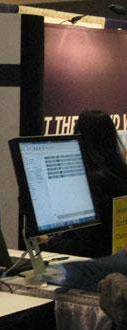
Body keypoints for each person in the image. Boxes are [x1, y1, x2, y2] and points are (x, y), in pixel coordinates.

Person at [44, 110, 127, 258]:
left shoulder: (90, 185)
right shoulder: (120, 175)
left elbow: (85, 245)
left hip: (93, 263)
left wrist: (48, 242)